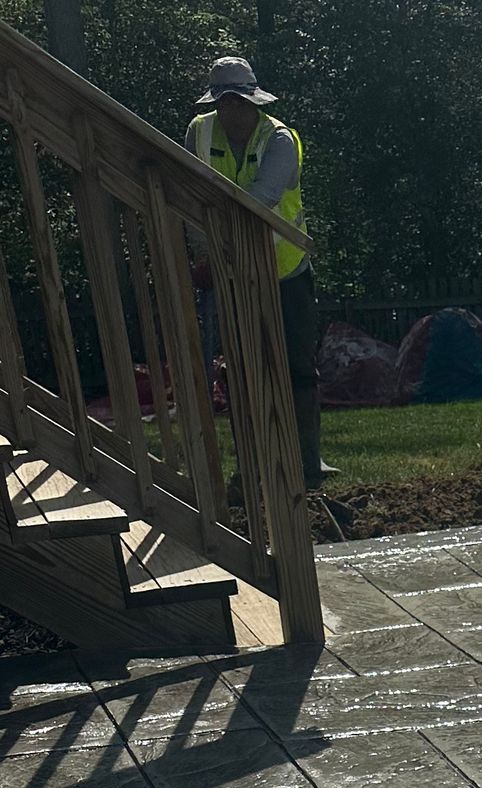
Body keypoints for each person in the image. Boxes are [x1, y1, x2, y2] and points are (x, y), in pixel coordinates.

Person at [186, 57, 329, 487]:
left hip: (285, 270)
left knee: (298, 369)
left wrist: (216, 241)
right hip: (232, 274)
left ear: (254, 101)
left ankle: (308, 468)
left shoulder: (280, 139)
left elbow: (262, 198)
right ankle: (253, 468)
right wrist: (201, 254)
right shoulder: (200, 131)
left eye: (239, 101)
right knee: (243, 371)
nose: (232, 110)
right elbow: (191, 193)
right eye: (225, 102)